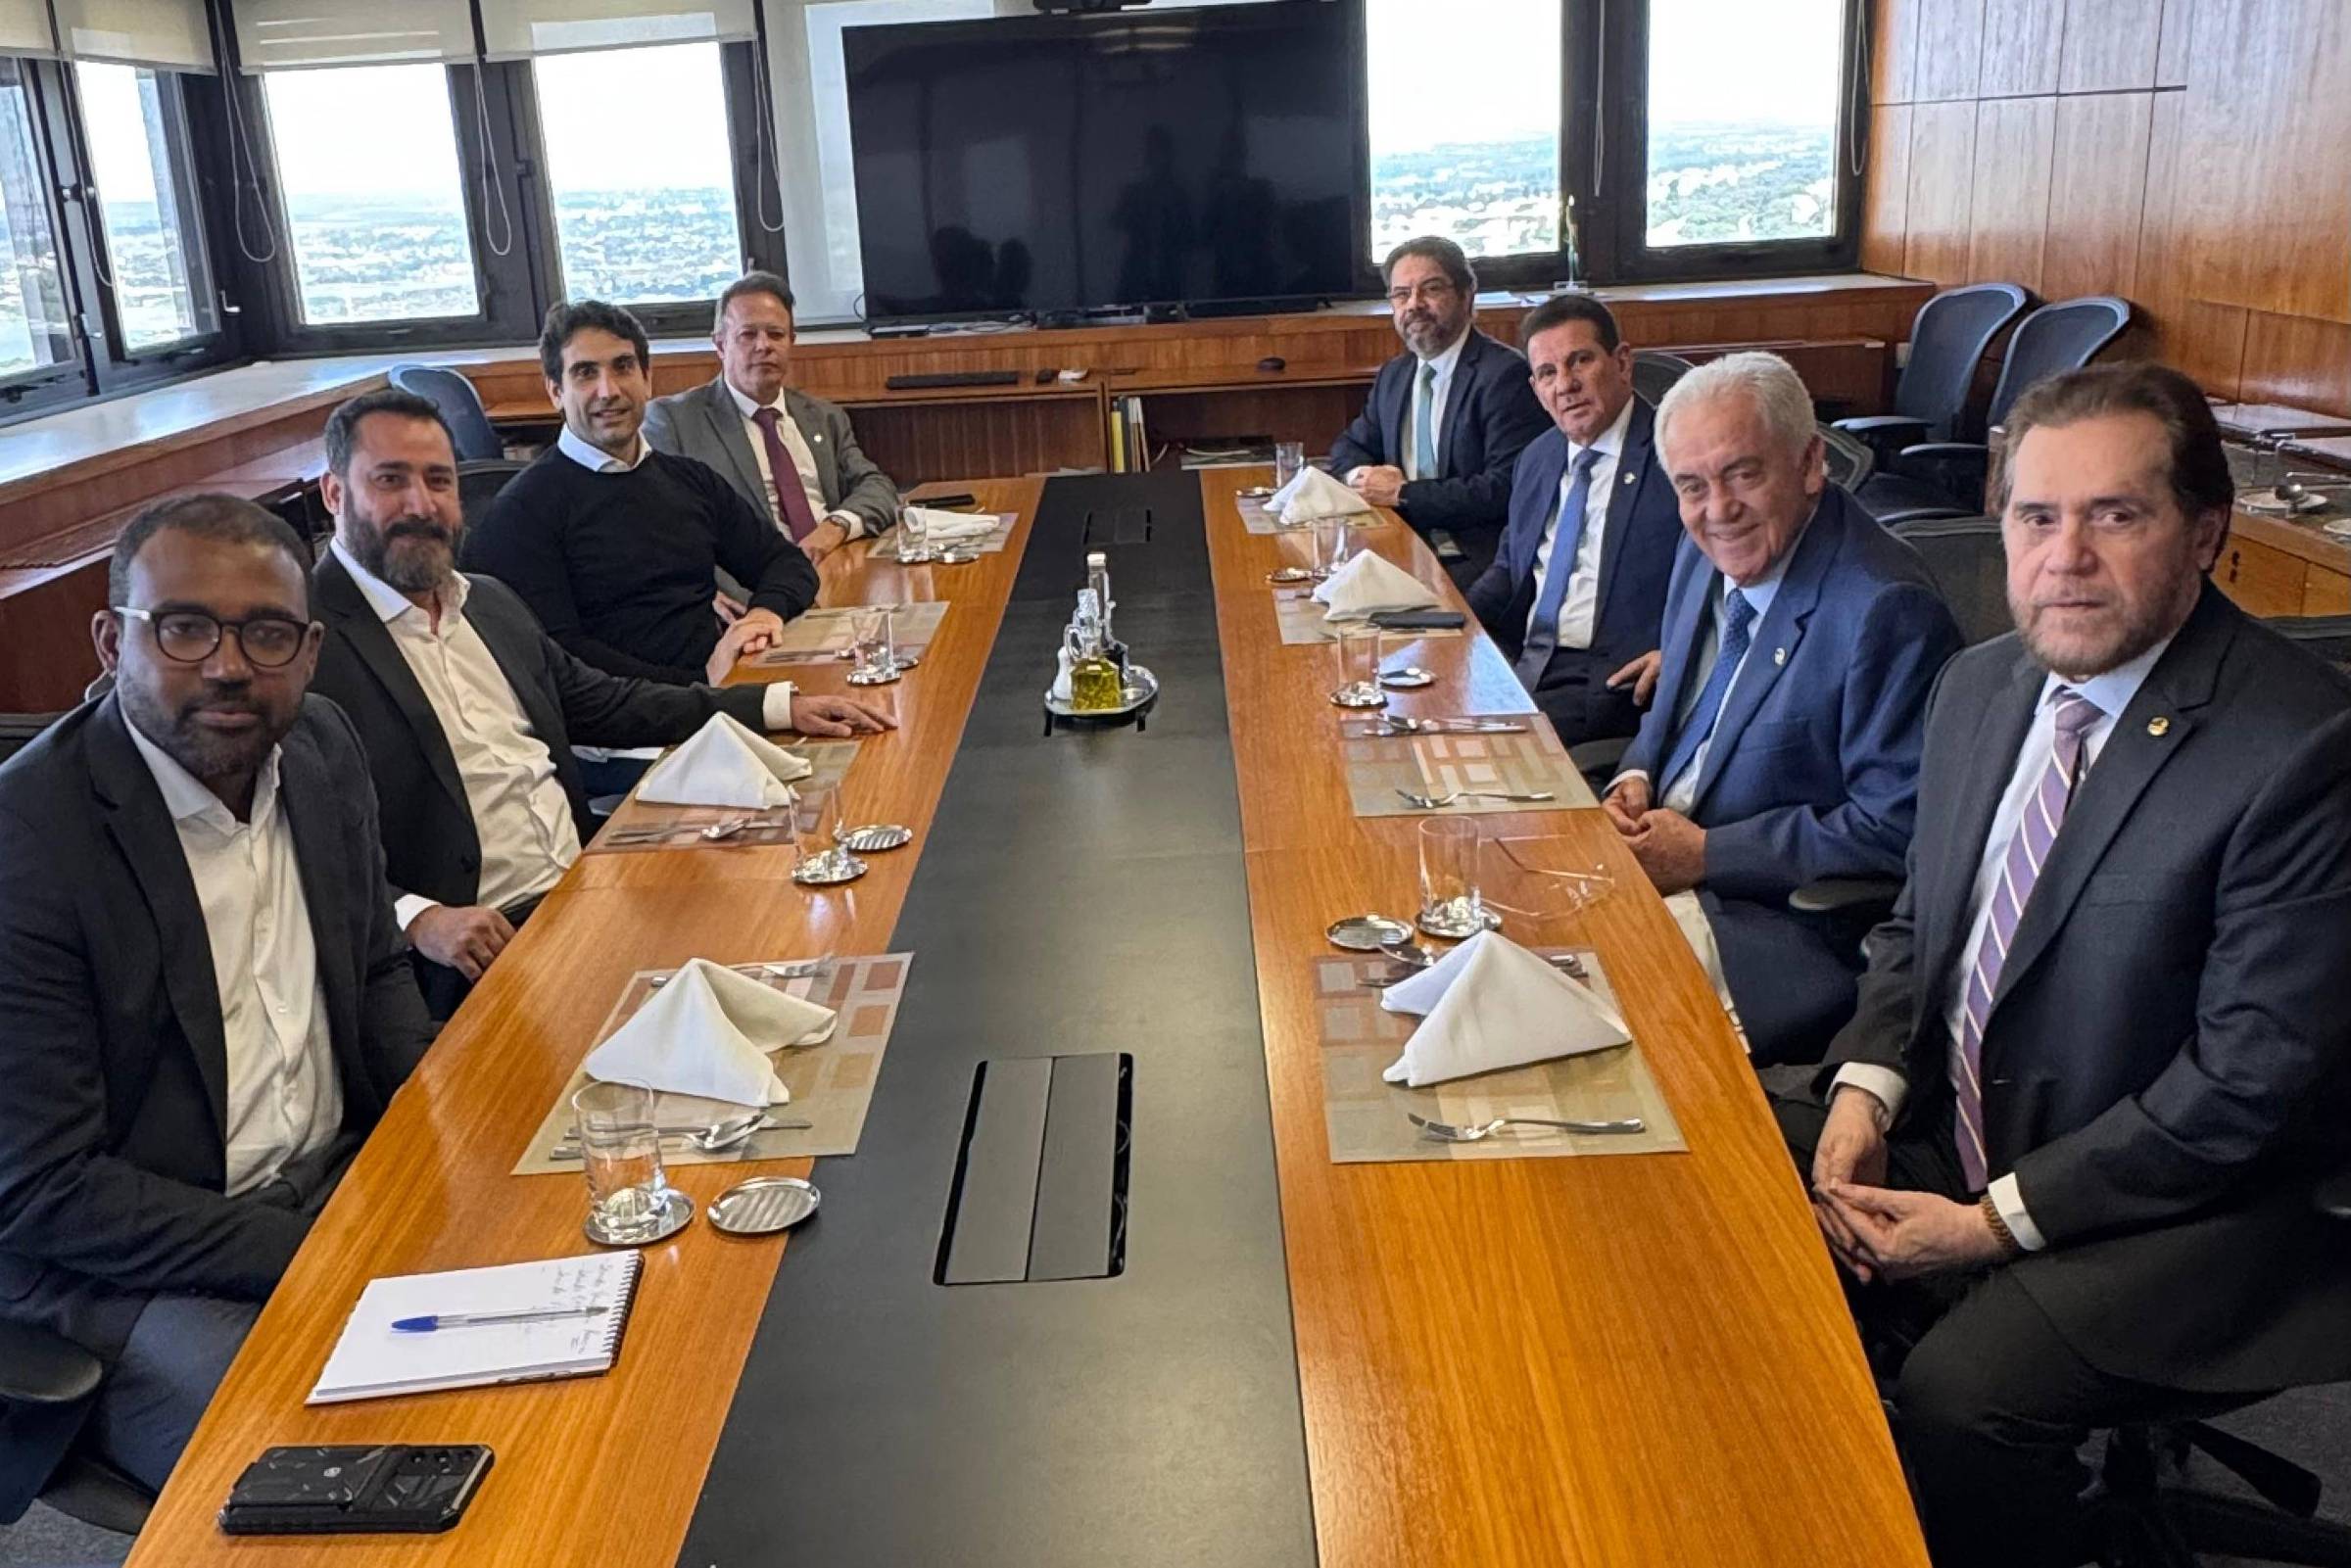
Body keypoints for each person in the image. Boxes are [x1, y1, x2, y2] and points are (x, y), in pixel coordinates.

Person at [1775, 363, 2351, 1568]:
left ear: (2205, 532)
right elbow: (1919, 925)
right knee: (1718, 1158)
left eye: (2115, 515)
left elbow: (2243, 1088)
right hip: (1977, 1116)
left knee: (1963, 1399)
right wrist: (1864, 1092)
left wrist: (1992, 1224)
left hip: (2197, 1199)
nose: (2065, 558)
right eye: (2036, 516)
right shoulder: (1980, 686)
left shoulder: (2303, 747)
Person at [0, 497, 434, 1517]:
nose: (230, 666)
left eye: (267, 632)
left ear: (310, 650)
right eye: (185, 628)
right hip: (130, 1273)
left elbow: (375, 969)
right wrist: (320, 1253)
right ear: (111, 641)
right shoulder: (29, 843)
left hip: (335, 1187)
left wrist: (438, 1142)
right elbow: (42, 1187)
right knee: (384, 1484)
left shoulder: (321, 748)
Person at [310, 389, 894, 1019]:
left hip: (586, 887)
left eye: (438, 480)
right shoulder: (305, 646)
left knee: (816, 934)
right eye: (390, 481)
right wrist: (420, 918)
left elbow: (609, 704)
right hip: (472, 948)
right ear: (334, 493)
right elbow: (296, 848)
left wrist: (777, 707)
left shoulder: (487, 603)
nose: (421, 505)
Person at [1602, 353, 1960, 1065]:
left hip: (1763, 923)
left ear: (1810, 463)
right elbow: (1672, 713)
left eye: (1743, 474)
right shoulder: (1705, 548)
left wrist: (1706, 855)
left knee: (1582, 1046)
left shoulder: (1885, 609)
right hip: (1654, 868)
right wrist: (1634, 777)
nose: (1718, 509)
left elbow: (1897, 830)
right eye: (1693, 485)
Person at [461, 300, 820, 687]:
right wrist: (701, 685)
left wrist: (764, 614)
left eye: (623, 367)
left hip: (720, 692)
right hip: (627, 717)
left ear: (647, 380)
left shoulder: (690, 481)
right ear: (556, 392)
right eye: (585, 373)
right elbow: (561, 660)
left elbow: (786, 563)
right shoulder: (521, 513)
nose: (608, 390)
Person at [1464, 294, 1682, 746]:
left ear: (1622, 362)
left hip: (1609, 682)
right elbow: (1510, 568)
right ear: (1536, 389)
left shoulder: (1676, 458)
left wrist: (1682, 652)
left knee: (1479, 752)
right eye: (1548, 373)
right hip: (1525, 661)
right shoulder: (1538, 457)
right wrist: (1449, 625)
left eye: (1580, 361)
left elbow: (1726, 581)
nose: (1565, 385)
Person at [1326, 236, 1549, 586]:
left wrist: (1403, 494)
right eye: (1401, 294)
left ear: (1466, 295)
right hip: (1398, 544)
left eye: (1431, 289)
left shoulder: (1503, 376)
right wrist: (1364, 478)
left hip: (1474, 559)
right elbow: (1348, 447)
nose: (1414, 305)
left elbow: (1505, 487)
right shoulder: (1395, 375)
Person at [643, 272, 900, 566]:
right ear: (721, 345)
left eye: (776, 335)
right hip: (749, 583)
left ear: (791, 342)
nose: (763, 346)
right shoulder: (674, 422)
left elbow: (877, 487)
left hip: (837, 567)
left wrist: (835, 527)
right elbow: (668, 530)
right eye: (748, 334)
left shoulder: (824, 417)